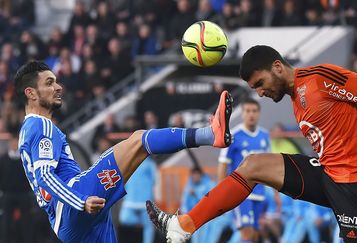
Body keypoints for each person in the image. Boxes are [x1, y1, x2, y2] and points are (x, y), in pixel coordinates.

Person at [147, 45, 357, 243]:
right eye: (255, 88)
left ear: (277, 67)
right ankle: (183, 226)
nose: (260, 92)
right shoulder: (297, 101)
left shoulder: (320, 78)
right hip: (329, 174)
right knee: (253, 165)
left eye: (260, 83)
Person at [13, 60, 233, 242]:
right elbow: (44, 176)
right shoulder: (41, 125)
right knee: (138, 141)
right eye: (50, 83)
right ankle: (210, 134)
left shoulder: (29, 128)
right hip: (73, 204)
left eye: (56, 81)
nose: (58, 87)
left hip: (66, 222)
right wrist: (81, 201)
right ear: (31, 93)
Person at [217, 98, 271, 242]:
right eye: (247, 111)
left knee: (254, 235)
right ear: (242, 113)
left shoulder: (264, 136)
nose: (251, 114)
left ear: (259, 113)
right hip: (240, 193)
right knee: (246, 233)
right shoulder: (234, 136)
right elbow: (223, 164)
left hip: (259, 192)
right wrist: (222, 193)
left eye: (254, 111)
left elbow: (268, 165)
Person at [118, 156, 158, 243]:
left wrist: (154, 199)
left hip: (145, 201)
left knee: (148, 227)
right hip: (130, 200)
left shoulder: (150, 164)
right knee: (124, 219)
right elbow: (124, 180)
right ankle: (139, 223)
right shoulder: (129, 163)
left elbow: (156, 181)